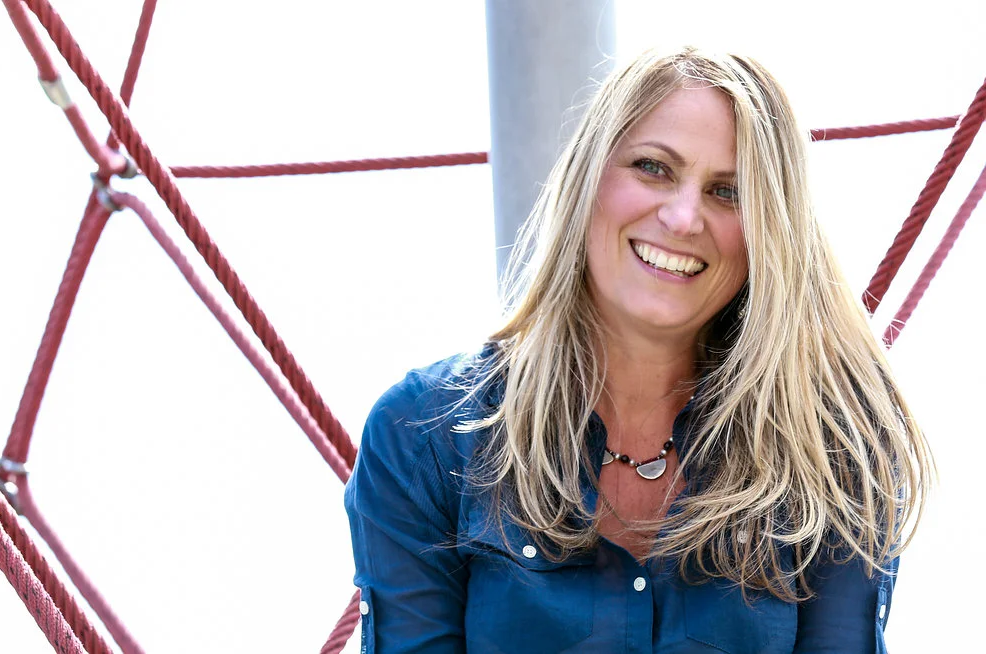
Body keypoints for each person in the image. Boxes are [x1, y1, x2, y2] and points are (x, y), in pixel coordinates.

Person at [344, 46, 934, 653]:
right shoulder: (423, 435)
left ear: (770, 232)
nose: (682, 218)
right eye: (653, 168)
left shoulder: (837, 450)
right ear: (588, 179)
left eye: (728, 192)